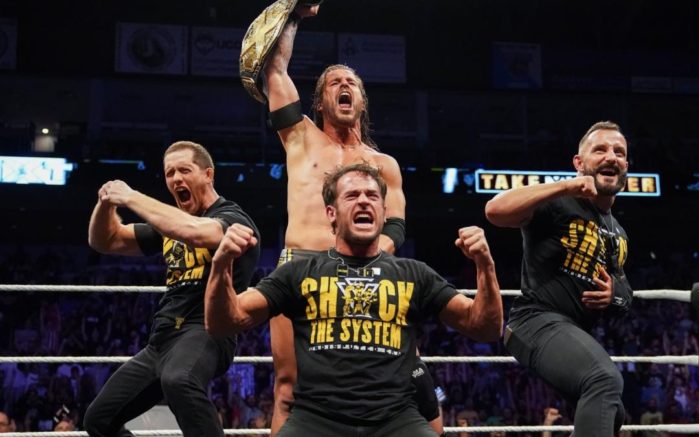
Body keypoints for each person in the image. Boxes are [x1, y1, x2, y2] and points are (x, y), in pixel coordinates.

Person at [255, 2, 446, 434]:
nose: (344, 86)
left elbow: (395, 226)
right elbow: (274, 69)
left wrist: (368, 259)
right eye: (335, 82)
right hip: (300, 267)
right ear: (321, 101)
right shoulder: (300, 137)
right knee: (288, 387)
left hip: (367, 270)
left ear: (361, 101)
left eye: (352, 83)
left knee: (411, 381)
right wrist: (295, 14)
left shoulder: (384, 164)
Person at [204, 163, 502, 437]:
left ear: (383, 212)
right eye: (352, 195)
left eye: (372, 196)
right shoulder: (299, 272)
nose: (363, 201)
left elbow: (485, 328)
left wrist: (486, 266)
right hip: (316, 418)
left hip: (396, 419)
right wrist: (221, 265)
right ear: (331, 213)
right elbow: (223, 323)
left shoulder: (415, 273)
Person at [83, 141, 260, 437]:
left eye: (184, 170)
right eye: (169, 173)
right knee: (98, 420)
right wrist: (106, 203)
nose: (176, 178)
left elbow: (196, 232)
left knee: (179, 380)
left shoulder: (232, 218)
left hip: (207, 331)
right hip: (161, 340)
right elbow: (104, 240)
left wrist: (131, 196)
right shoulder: (168, 226)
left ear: (208, 174)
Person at [485, 121, 633, 436]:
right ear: (579, 163)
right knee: (604, 380)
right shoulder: (557, 201)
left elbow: (625, 292)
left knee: (613, 412)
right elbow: (495, 210)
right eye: (600, 150)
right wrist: (566, 186)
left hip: (572, 331)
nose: (611, 156)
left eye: (619, 152)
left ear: (626, 167)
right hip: (534, 322)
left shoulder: (618, 232)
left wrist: (614, 294)